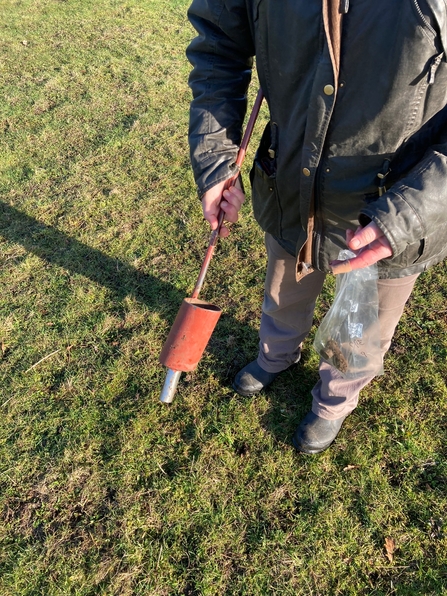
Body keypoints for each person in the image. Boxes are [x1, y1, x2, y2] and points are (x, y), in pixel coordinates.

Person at [186, 0, 447, 454]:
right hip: (291, 184)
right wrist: (214, 160)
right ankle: (276, 354)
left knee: (366, 322)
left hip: (397, 207)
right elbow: (218, 45)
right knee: (283, 286)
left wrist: (409, 212)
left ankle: (334, 400)